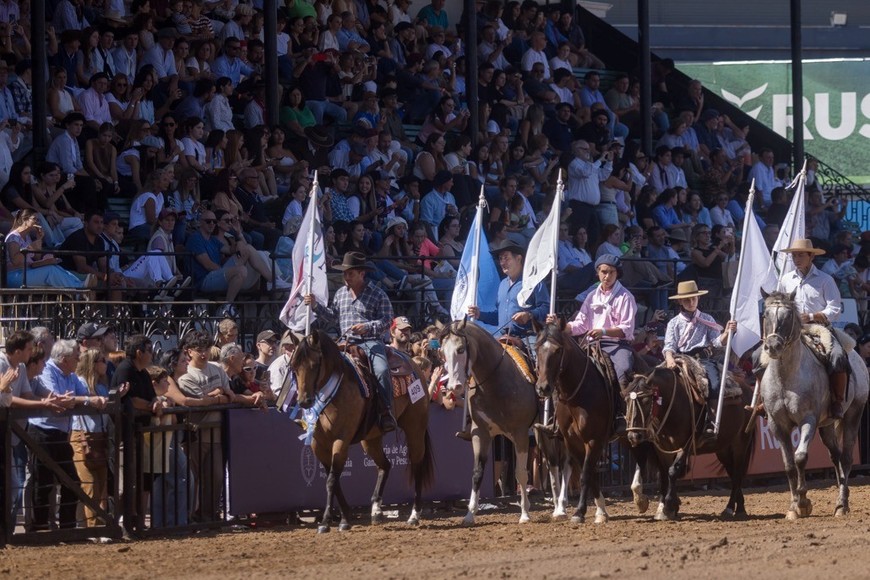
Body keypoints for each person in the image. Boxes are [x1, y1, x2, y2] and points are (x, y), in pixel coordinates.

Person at [303, 251, 397, 432]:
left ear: (362, 274)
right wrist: (315, 305)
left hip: (370, 342)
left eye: (350, 273)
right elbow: (332, 317)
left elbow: (387, 320)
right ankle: (313, 410)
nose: (346, 277)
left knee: (382, 370)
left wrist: (367, 326)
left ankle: (386, 411)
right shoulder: (340, 294)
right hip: (344, 343)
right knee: (318, 366)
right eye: (345, 273)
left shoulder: (378, 294)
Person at [546, 254, 639, 432]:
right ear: (597, 273)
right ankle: (557, 417)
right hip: (591, 344)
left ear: (617, 274)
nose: (607, 276)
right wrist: (560, 326)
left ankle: (621, 413)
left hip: (616, 344)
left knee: (624, 368)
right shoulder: (591, 297)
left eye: (611, 272)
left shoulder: (625, 297)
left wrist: (603, 331)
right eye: (604, 272)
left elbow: (626, 329)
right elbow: (581, 324)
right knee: (563, 367)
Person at [29, 339, 107, 530]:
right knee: (43, 482)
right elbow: (57, 399)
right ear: (64, 359)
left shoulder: (71, 375)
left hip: (62, 432)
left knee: (71, 480)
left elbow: (81, 397)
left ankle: (67, 526)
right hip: (42, 431)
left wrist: (85, 400)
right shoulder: (48, 371)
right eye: (75, 357)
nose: (79, 360)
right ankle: (39, 527)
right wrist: (84, 401)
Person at [774, 239, 849, 419]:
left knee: (838, 356)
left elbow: (835, 308)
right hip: (791, 331)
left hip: (819, 329)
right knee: (760, 356)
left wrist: (812, 316)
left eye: (800, 255)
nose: (796, 259)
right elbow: (779, 305)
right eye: (794, 255)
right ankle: (766, 401)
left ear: (811, 256)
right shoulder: (785, 280)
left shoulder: (826, 280)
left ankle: (837, 401)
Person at [662, 280, 737, 437]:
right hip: (680, 358)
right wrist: (669, 359)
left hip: (703, 359)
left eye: (693, 299)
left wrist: (727, 333)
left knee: (714, 383)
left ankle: (711, 419)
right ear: (680, 301)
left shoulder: (707, 318)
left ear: (698, 299)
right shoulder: (674, 323)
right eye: (687, 299)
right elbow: (669, 345)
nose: (691, 302)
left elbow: (716, 343)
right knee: (657, 382)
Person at [467, 240, 549, 343]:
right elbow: (498, 317)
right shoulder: (502, 285)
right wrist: (480, 315)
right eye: (500, 259)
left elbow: (546, 309)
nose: (502, 262)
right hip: (503, 338)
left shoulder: (533, 282)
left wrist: (529, 315)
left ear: (518, 258)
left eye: (506, 258)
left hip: (528, 338)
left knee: (536, 357)